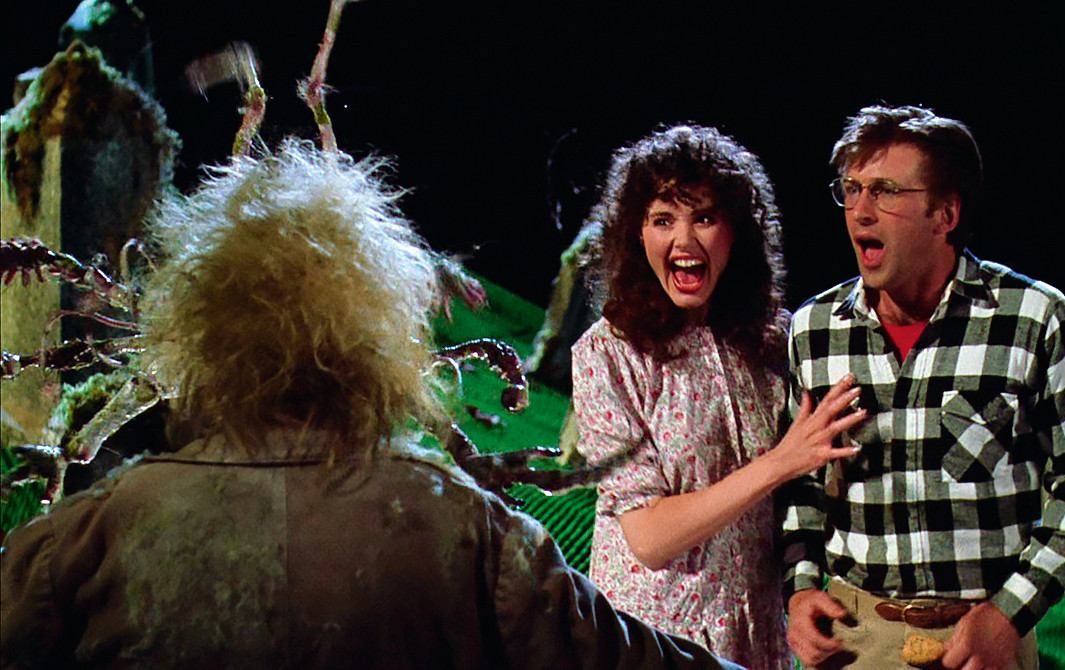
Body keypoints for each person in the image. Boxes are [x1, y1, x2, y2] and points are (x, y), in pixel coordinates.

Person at [0, 139, 747, 669]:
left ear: (197, 331)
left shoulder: (93, 533)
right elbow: (622, 656)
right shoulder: (460, 526)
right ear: (378, 334)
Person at [781, 105, 1065, 670]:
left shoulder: (1031, 318)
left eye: (885, 191)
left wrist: (1010, 613)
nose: (860, 210)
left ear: (945, 214)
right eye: (852, 189)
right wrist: (798, 589)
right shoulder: (814, 330)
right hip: (853, 640)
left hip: (983, 642)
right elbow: (798, 482)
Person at [572, 125, 867, 670]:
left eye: (704, 218)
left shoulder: (774, 342)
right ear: (637, 234)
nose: (684, 241)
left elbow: (800, 493)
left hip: (755, 638)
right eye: (663, 220)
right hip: (653, 641)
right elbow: (649, 537)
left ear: (736, 232)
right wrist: (781, 462)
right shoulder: (607, 354)